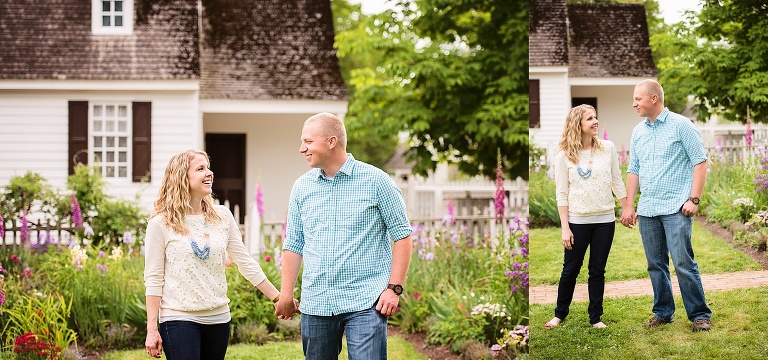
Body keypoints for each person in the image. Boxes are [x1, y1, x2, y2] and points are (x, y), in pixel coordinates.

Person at [274, 112, 413, 360]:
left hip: (365, 302)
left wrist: (394, 288)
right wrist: (286, 294)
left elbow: (402, 235)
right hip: (316, 303)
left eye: (307, 141)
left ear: (331, 141)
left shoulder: (377, 181)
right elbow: (294, 244)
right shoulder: (302, 187)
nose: (301, 149)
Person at [144, 150, 287, 359]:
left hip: (218, 319)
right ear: (181, 177)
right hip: (178, 319)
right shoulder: (161, 223)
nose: (209, 173)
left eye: (208, 167)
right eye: (200, 169)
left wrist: (277, 297)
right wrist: (151, 329)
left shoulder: (222, 216)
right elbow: (154, 278)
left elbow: (245, 262)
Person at [620, 79, 712, 332]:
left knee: (683, 263)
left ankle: (700, 315)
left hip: (675, 208)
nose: (634, 103)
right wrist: (629, 206)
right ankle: (663, 312)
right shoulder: (638, 131)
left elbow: (700, 162)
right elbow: (633, 170)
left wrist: (694, 199)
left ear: (653, 99)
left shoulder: (682, 126)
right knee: (655, 264)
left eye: (638, 99)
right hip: (648, 209)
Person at [544, 104, 629, 330]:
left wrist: (627, 207)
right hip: (577, 222)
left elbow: (616, 180)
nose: (595, 121)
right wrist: (565, 228)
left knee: (597, 270)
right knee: (570, 269)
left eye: (595, 117)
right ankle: (559, 314)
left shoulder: (608, 148)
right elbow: (561, 194)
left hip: (605, 221)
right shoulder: (564, 156)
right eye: (589, 118)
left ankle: (595, 317)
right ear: (577, 125)